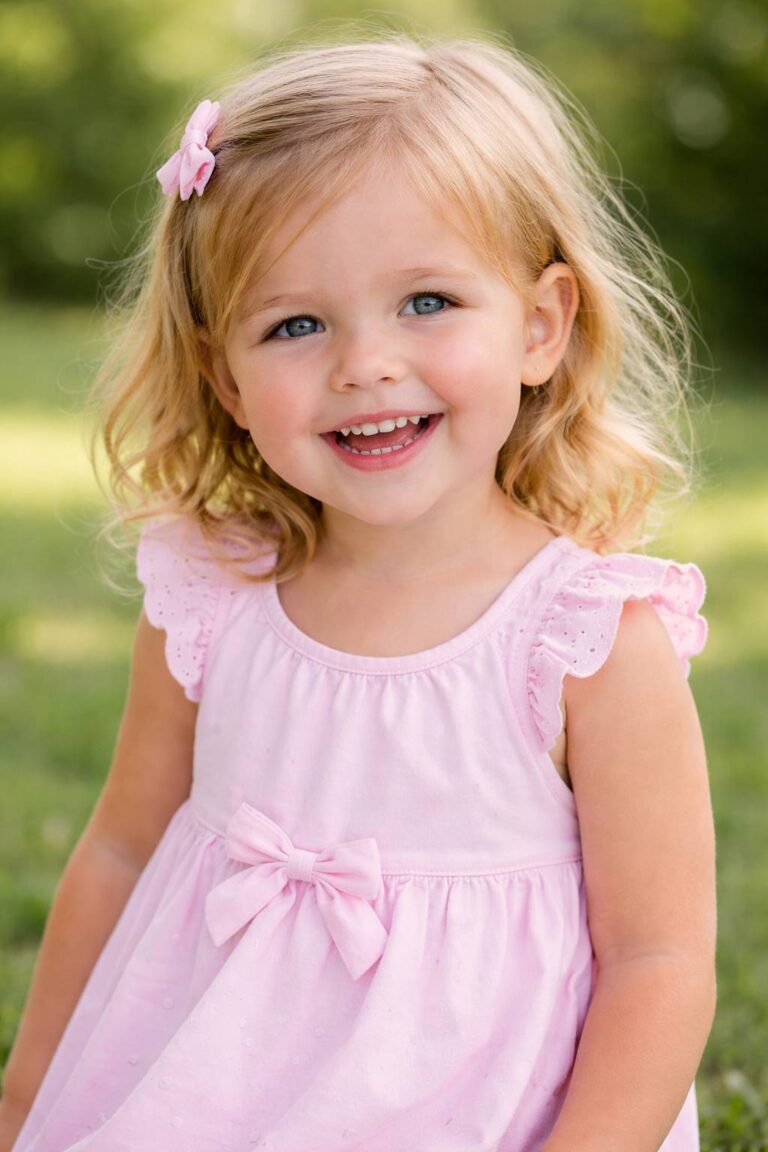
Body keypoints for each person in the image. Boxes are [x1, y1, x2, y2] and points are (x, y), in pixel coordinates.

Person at [1, 28, 717, 1152]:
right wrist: (24, 1100)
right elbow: (122, 852)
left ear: (540, 326)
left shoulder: (586, 641)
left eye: (427, 301)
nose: (365, 364)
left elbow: (658, 961)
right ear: (224, 378)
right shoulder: (214, 598)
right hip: (219, 1097)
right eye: (295, 324)